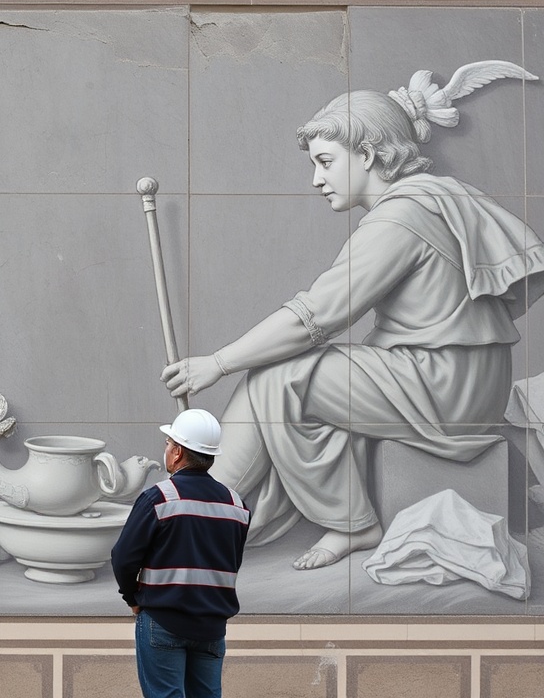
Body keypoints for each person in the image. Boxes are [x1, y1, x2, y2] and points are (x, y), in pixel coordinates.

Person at [161, 63, 544, 571]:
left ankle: (207, 518)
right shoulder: (430, 198)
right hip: (459, 376)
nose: (315, 179)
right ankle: (212, 513)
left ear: (366, 154)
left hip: (446, 385)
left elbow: (317, 314)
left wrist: (218, 362)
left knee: (282, 375)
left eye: (325, 161)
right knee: (299, 377)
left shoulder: (401, 217)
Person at [112, 409, 249, 698]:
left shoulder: (159, 497)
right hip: (212, 627)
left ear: (177, 453)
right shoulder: (236, 505)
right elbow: (231, 562)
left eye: (168, 444)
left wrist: (132, 598)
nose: (166, 450)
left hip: (163, 620)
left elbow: (123, 557)